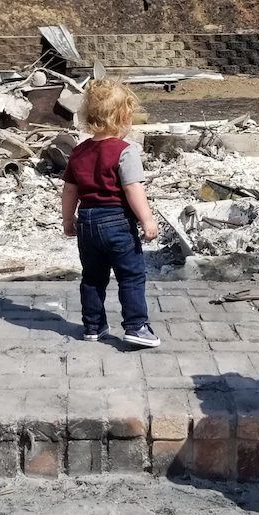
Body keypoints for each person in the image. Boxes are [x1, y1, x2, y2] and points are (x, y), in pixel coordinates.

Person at [61, 79, 161, 348]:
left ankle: (93, 326)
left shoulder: (78, 152)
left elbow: (70, 191)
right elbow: (132, 189)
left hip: (88, 223)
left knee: (93, 277)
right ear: (123, 118)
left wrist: (68, 220)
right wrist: (147, 219)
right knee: (131, 275)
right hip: (117, 221)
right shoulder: (124, 151)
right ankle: (136, 326)